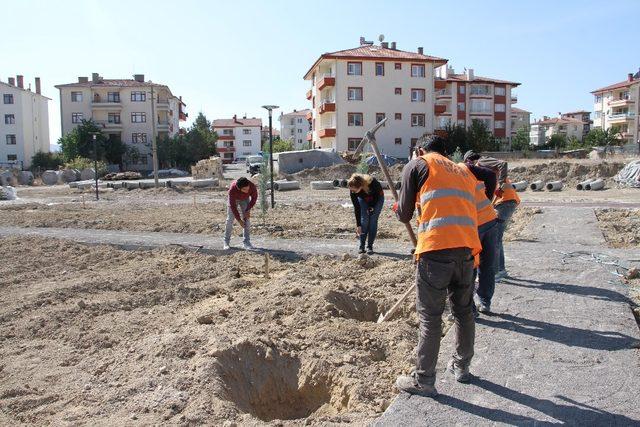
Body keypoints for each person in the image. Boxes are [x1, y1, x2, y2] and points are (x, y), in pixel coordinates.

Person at [393, 136, 482, 397]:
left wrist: (398, 205)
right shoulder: (464, 171)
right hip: (466, 250)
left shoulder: (419, 165)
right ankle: (462, 367)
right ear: (446, 153)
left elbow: (404, 214)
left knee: (430, 318)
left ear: (421, 150)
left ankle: (424, 380)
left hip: (435, 252)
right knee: (464, 312)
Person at [463, 151, 520, 280]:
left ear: (470, 160)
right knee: (497, 239)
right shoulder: (482, 171)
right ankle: (500, 270)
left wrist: (501, 185)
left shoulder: (481, 162)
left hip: (505, 201)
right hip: (506, 202)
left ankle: (497, 272)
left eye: (468, 163)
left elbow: (503, 164)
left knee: (495, 240)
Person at [459, 160, 499, 314]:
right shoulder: (464, 167)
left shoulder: (440, 175)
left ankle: (470, 308)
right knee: (487, 265)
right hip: (489, 219)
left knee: (471, 265)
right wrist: (488, 201)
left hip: (474, 224)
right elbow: (490, 175)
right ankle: (484, 301)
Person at [347, 173, 384, 254]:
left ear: (360, 186)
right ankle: (362, 246)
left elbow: (376, 198)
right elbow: (357, 208)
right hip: (364, 198)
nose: (352, 192)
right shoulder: (353, 190)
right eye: (351, 190)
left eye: (354, 190)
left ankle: (369, 246)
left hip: (378, 198)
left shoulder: (373, 183)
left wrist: (372, 207)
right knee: (364, 220)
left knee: (373, 221)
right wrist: (358, 225)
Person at [224, 177, 257, 250]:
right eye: (244, 189)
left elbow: (254, 198)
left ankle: (246, 242)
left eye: (247, 188)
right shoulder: (232, 190)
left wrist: (248, 210)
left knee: (247, 220)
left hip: (245, 199)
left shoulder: (251, 186)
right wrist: (239, 220)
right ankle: (226, 242)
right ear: (239, 188)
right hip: (234, 199)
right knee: (230, 219)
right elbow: (233, 207)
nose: (247, 190)